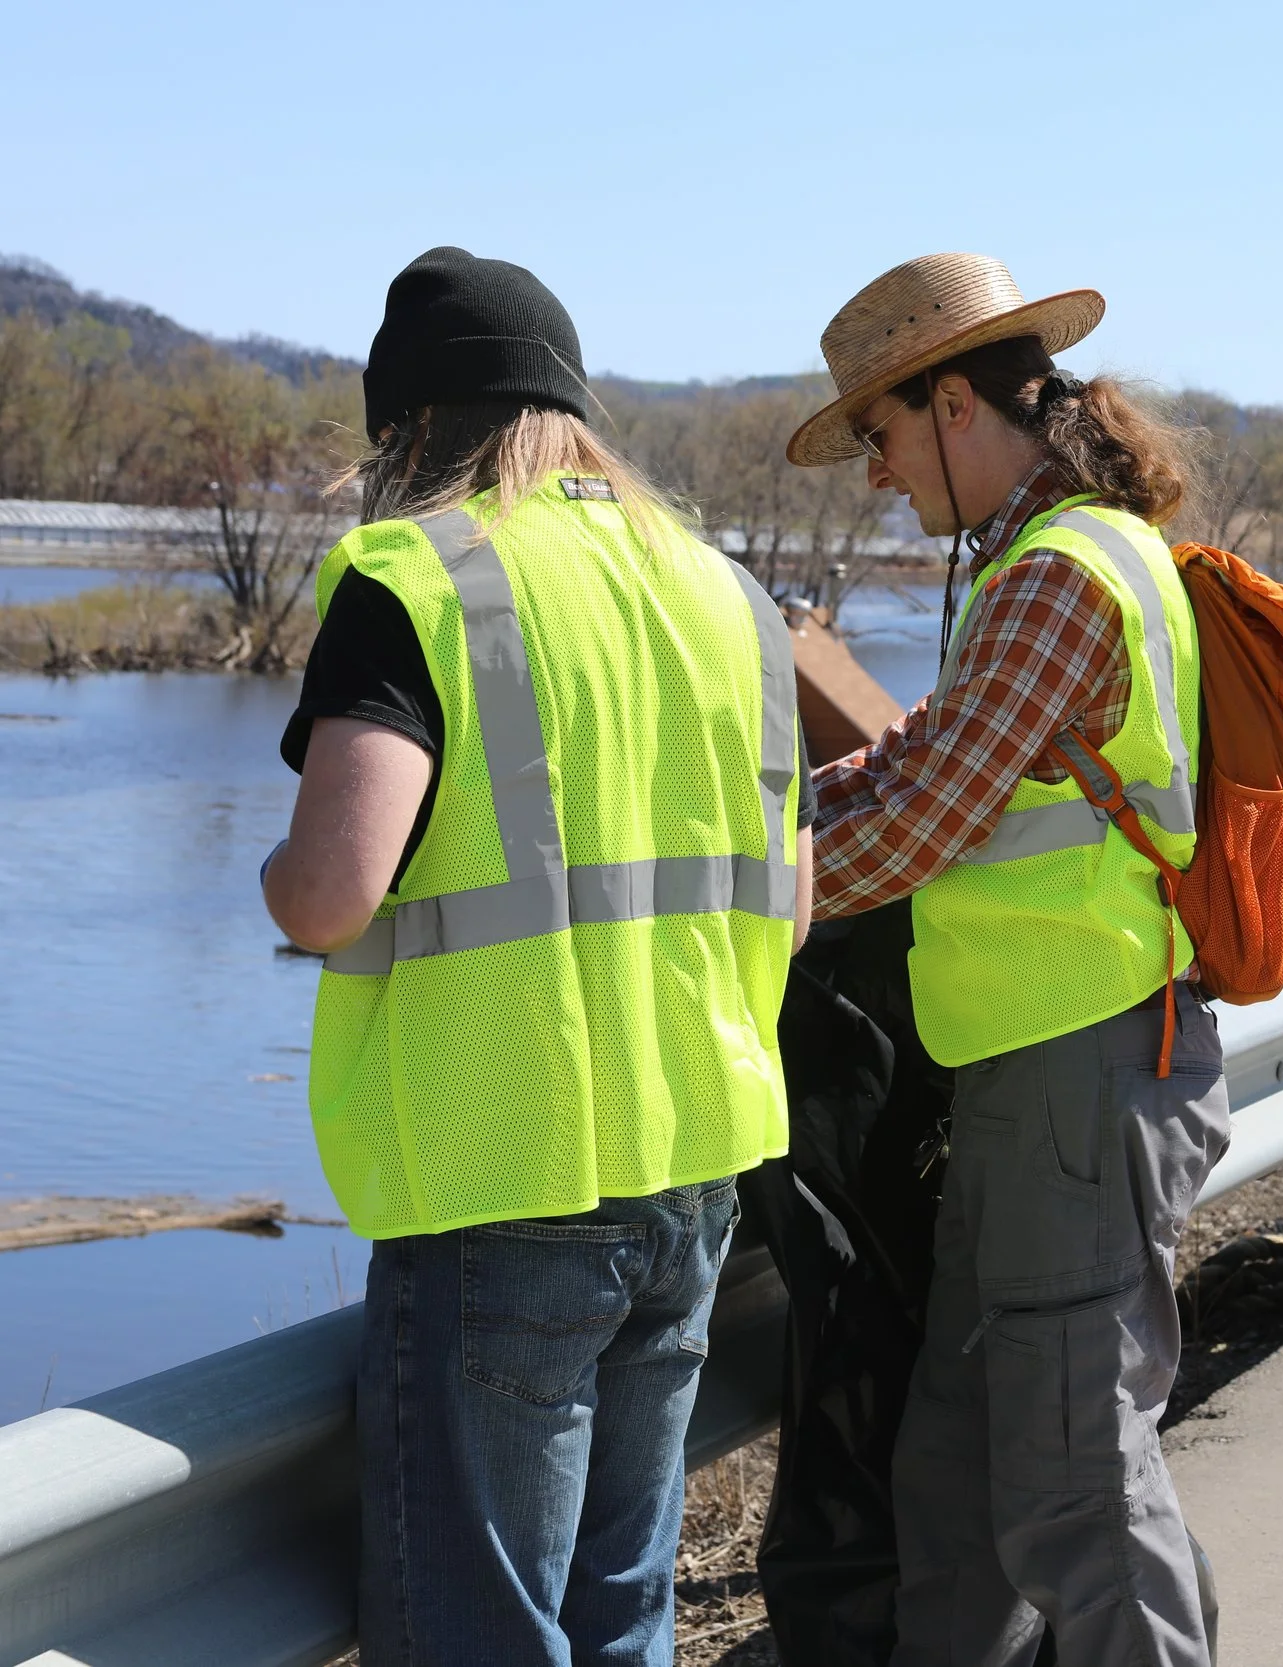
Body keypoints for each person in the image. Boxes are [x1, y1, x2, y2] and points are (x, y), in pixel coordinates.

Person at [259, 247, 808, 1667]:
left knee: (480, 1634)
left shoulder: (417, 575)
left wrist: (279, 872)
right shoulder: (727, 598)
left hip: (503, 1175)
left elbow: (328, 891)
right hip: (696, 1169)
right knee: (619, 1610)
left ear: (412, 429)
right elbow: (788, 903)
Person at [787, 253, 1228, 1667]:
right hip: (1033, 1080)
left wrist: (730, 905)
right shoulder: (1049, 565)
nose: (875, 472)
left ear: (958, 402)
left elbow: (921, 817)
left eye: (881, 434)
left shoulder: (1059, 576)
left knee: (1071, 1489)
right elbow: (914, 761)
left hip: (1076, 1081)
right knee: (963, 1468)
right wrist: (776, 828)